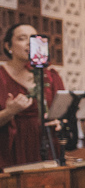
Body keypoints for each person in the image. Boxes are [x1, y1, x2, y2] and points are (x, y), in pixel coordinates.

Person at [0, 23, 64, 168]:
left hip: (46, 144)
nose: (29, 43)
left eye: (34, 38)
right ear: (8, 46)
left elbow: (63, 113)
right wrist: (9, 112)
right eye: (22, 38)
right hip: (11, 148)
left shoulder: (49, 76)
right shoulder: (1, 76)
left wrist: (58, 121)